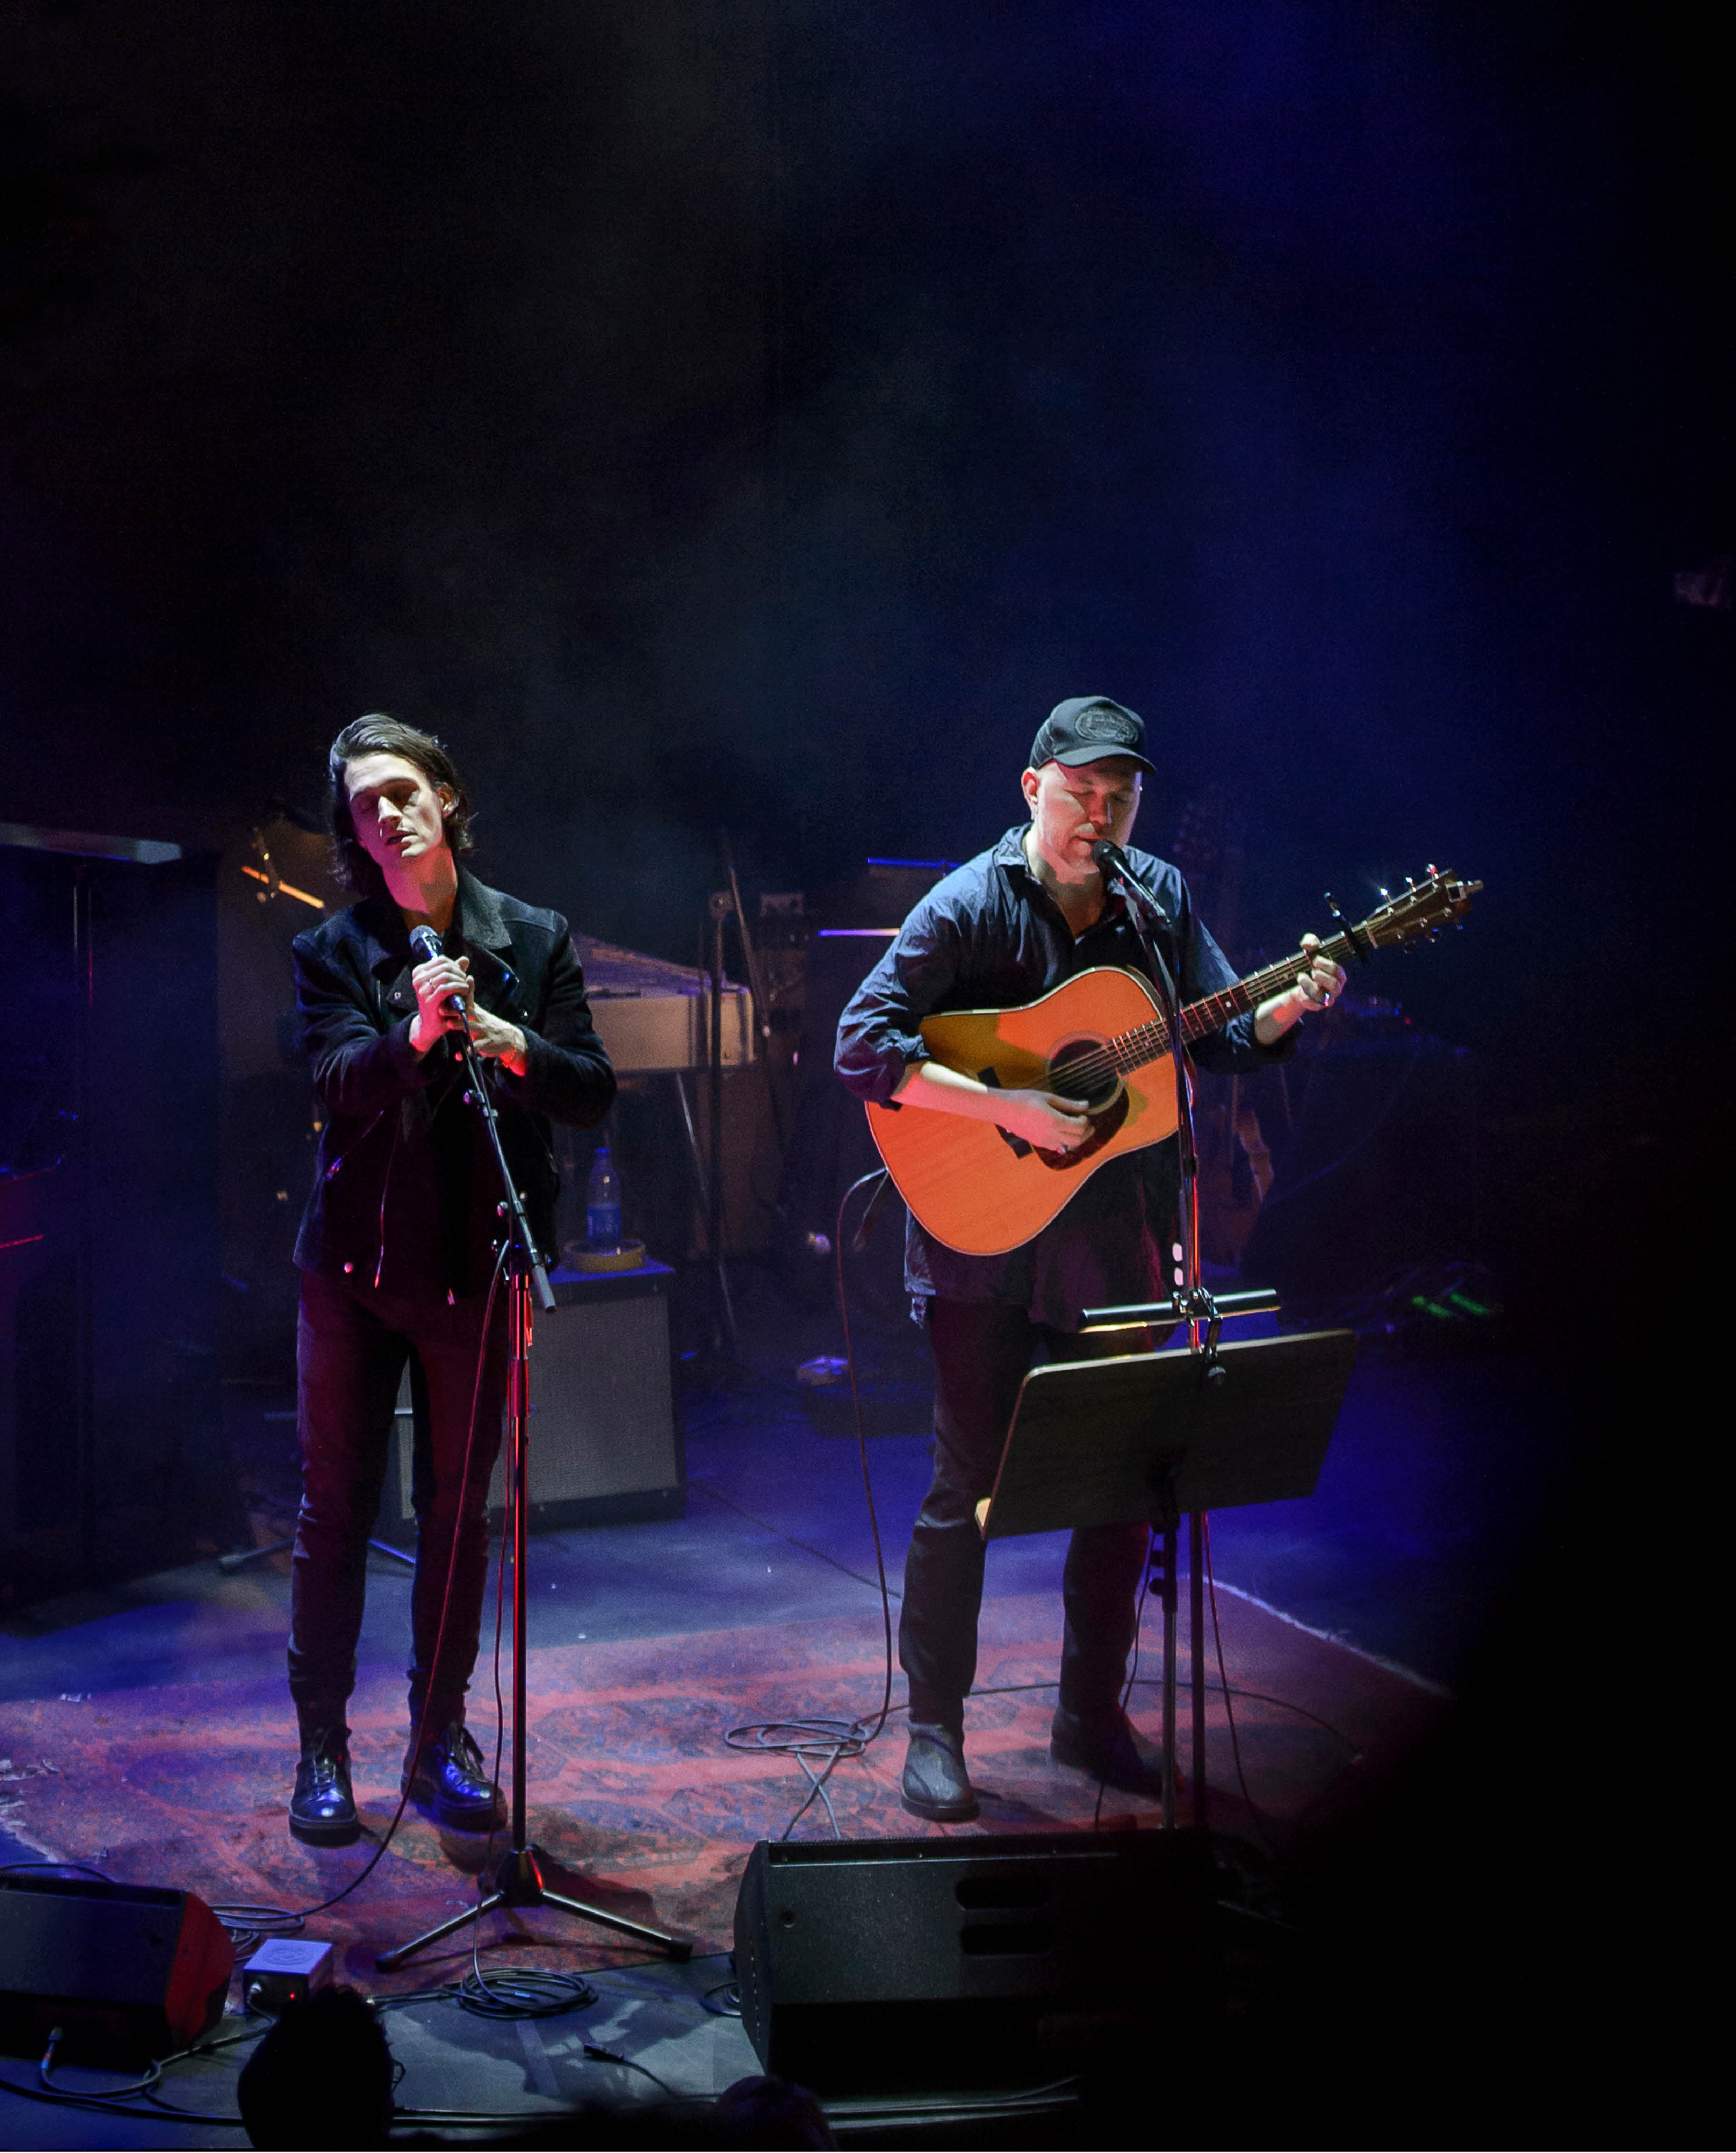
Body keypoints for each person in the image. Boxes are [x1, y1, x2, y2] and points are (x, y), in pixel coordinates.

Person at [834, 695, 1347, 1822]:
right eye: (1081, 793)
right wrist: (1005, 1100)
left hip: (1116, 1239)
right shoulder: (971, 903)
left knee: (1123, 1487)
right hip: (980, 1248)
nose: (1100, 816)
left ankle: (1090, 1716)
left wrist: (1285, 1010)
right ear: (1035, 789)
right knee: (964, 1488)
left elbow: (1215, 1033)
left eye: (1121, 798)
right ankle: (935, 1730)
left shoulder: (1158, 899)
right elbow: (862, 1044)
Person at [285, 715, 615, 1844]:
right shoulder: (333, 952)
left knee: (457, 1521)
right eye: (366, 802)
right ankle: (321, 1751)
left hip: (477, 1269)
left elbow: (588, 1089)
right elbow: (336, 1079)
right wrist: (415, 1038)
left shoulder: (531, 935)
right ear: (357, 837)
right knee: (333, 1512)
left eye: (404, 789)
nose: (388, 810)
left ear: (446, 799)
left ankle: (439, 1741)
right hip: (353, 1272)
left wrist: (510, 1038)